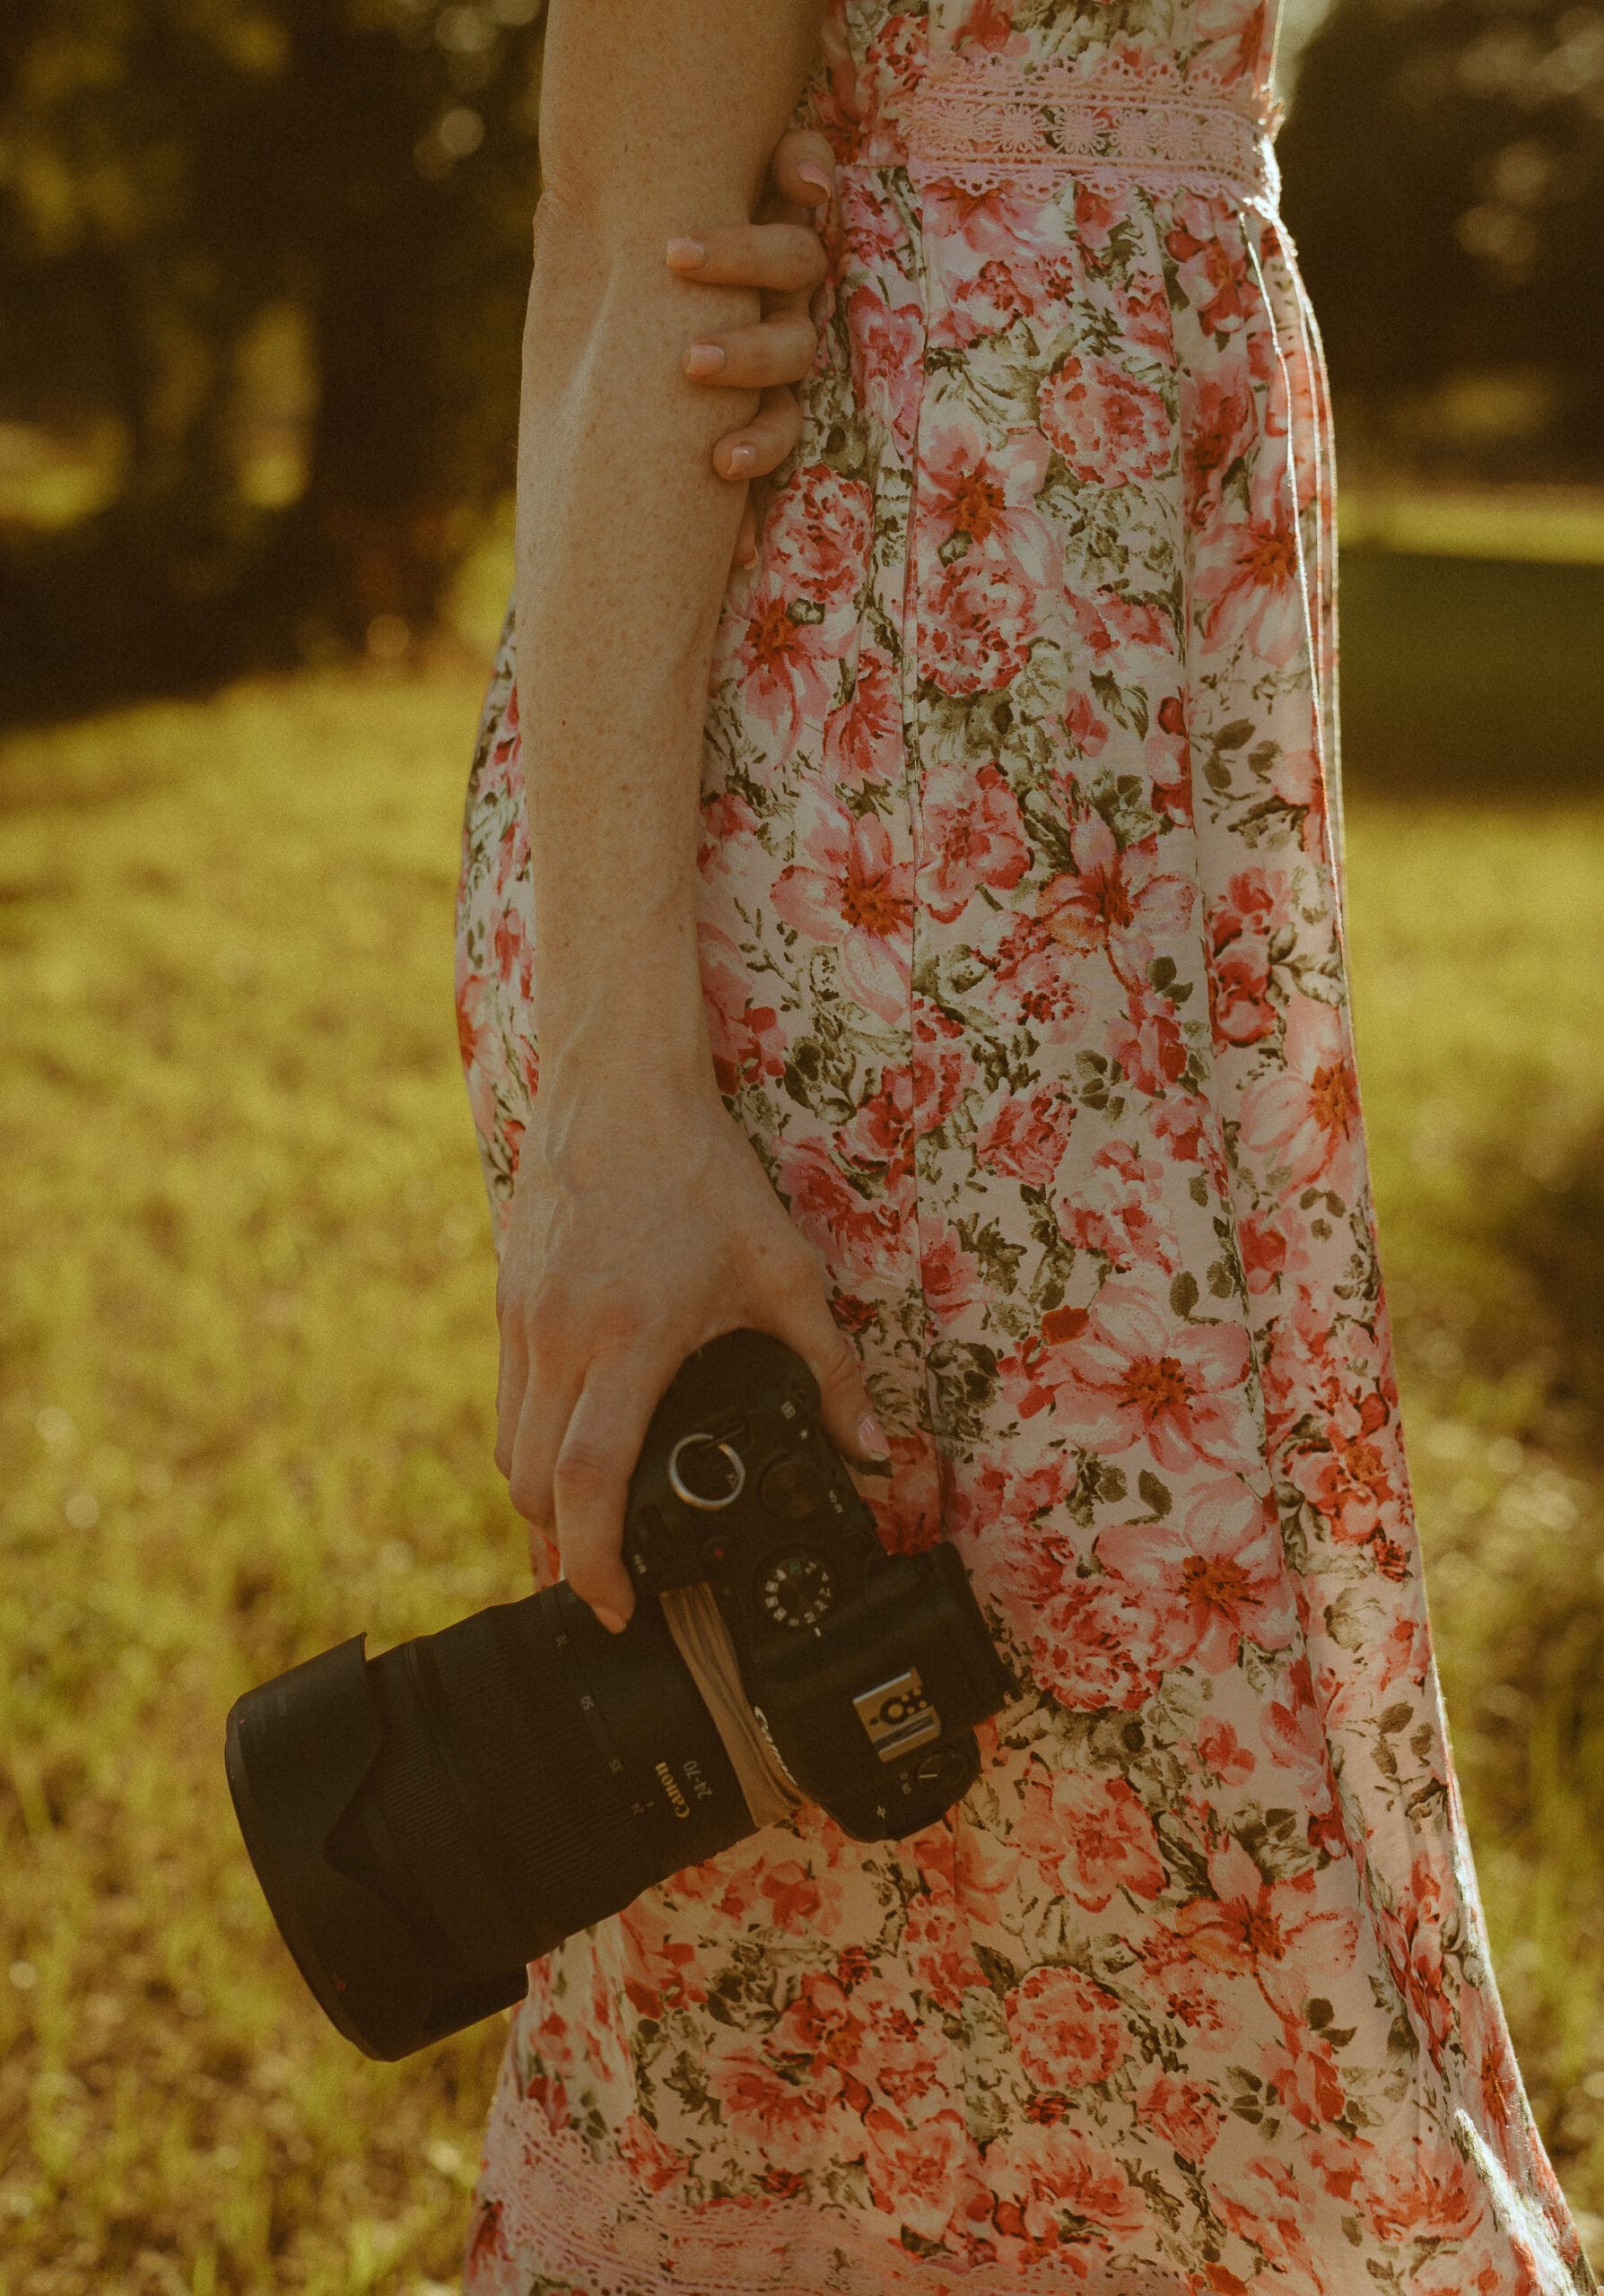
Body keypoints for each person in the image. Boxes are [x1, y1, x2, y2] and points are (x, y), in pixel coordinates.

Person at [452, 2, 1596, 2290]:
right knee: (1083, 1864)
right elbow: (614, 237)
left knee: (1014, 1937)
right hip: (875, 852)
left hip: (1130, 850)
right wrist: (617, 1115)